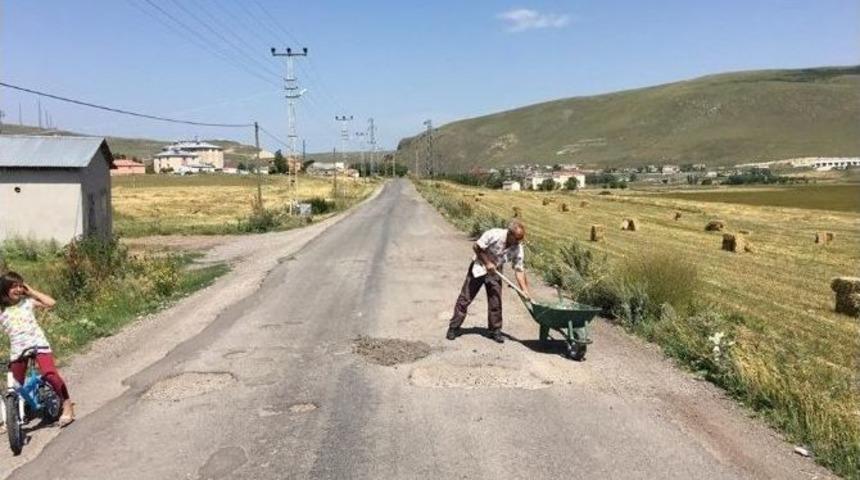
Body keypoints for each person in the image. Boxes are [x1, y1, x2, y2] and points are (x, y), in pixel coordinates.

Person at [0, 272, 74, 427]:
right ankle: (16, 413)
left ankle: (67, 405)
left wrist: (31, 291)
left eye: (20, 286)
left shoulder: (27, 302)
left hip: (38, 344)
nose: (18, 289)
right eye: (14, 286)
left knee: (50, 374)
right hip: (18, 349)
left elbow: (51, 303)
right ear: (5, 289)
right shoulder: (2, 310)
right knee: (15, 385)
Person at [446, 220, 532, 343]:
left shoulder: (518, 247)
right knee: (465, 298)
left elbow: (519, 270)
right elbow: (476, 246)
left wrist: (524, 290)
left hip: (495, 271)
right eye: (517, 238)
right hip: (479, 267)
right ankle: (453, 327)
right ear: (510, 234)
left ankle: (495, 330)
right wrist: (487, 263)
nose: (519, 242)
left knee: (495, 301)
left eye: (520, 239)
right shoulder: (494, 234)